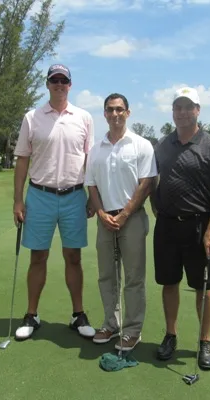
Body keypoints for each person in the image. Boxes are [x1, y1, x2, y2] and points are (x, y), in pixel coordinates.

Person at [12, 64, 96, 341]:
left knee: (74, 257)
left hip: (74, 196)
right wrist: (17, 200)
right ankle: (31, 315)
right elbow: (22, 159)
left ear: (70, 85)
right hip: (40, 195)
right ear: (47, 84)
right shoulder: (32, 117)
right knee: (38, 256)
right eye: (54, 80)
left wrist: (93, 197)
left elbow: (90, 160)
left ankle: (78, 315)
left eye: (63, 80)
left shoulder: (84, 118)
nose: (59, 84)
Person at [150, 87, 210, 370]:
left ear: (198, 110)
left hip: (200, 227)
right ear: (173, 111)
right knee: (169, 282)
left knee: (204, 287)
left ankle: (205, 340)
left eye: (188, 107)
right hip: (168, 226)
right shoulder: (162, 145)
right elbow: (153, 180)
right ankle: (170, 334)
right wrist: (155, 205)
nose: (183, 112)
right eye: (178, 107)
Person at [84, 93, 157, 351]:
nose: (114, 114)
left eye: (119, 109)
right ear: (104, 113)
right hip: (105, 219)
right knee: (107, 275)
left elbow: (147, 183)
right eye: (110, 109)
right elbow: (91, 184)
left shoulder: (141, 145)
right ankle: (110, 324)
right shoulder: (96, 149)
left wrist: (125, 214)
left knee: (134, 277)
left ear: (128, 112)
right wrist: (101, 212)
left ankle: (132, 330)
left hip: (132, 218)